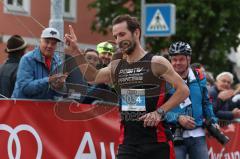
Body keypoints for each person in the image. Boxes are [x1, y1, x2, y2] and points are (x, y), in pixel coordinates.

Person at [65, 14, 189, 159]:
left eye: (122, 34)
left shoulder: (156, 62)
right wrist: (75, 50)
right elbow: (92, 77)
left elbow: (183, 90)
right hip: (128, 143)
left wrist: (159, 112)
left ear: (136, 32)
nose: (118, 40)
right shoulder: (117, 65)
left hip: (157, 142)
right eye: (116, 36)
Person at [165, 41, 218, 159]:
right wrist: (178, 118)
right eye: (174, 59)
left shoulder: (199, 76)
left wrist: (213, 121)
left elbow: (206, 102)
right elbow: (159, 111)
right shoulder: (164, 80)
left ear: (189, 59)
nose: (177, 63)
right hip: (174, 135)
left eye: (181, 59)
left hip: (198, 135)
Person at [12, 27, 68, 99]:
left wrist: (61, 86)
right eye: (47, 41)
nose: (50, 46)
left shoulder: (58, 61)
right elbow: (25, 88)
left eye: (53, 43)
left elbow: (60, 94)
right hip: (23, 107)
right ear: (40, 41)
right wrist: (48, 80)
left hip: (43, 107)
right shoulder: (27, 59)